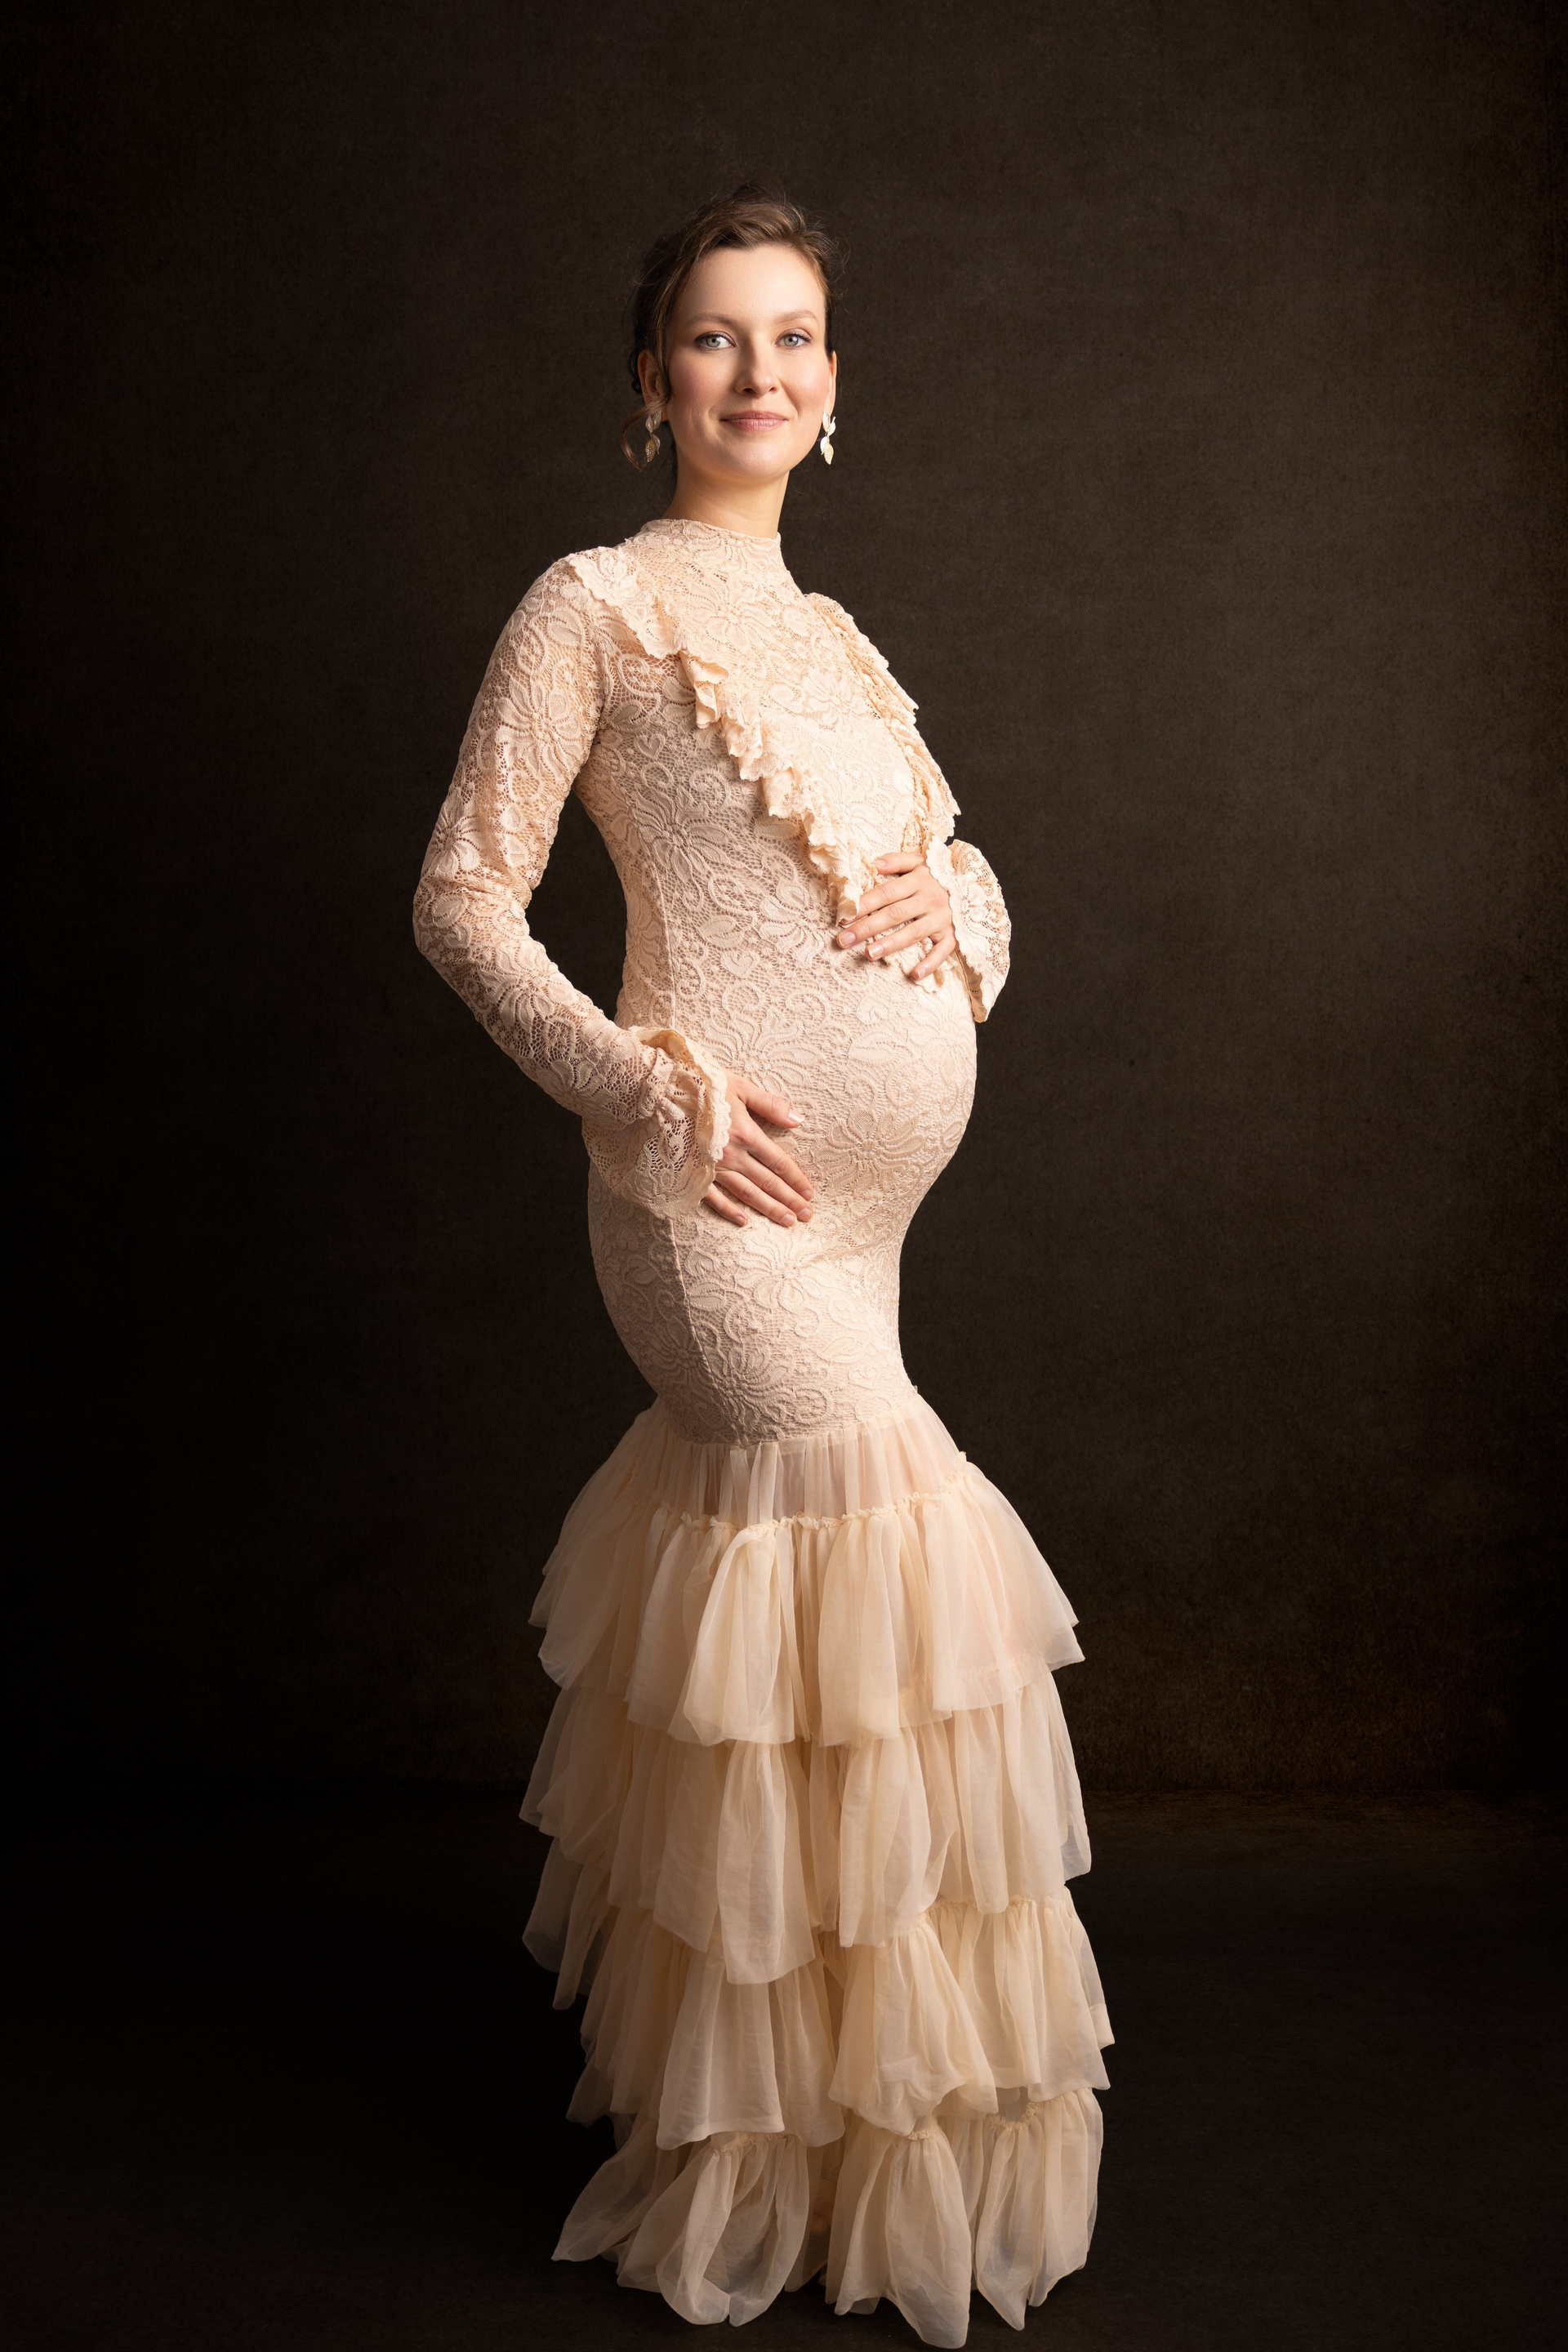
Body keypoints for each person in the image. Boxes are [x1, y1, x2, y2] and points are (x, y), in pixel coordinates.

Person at [412, 184, 1111, 2348]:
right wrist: (638, 1093)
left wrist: (959, 909)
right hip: (719, 1216)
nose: (759, 372)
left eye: (793, 337)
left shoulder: (836, 635)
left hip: (877, 1217)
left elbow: (950, 869)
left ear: (834, 382)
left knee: (822, 1656)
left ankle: (821, 2142)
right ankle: (796, 2152)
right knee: (889, 1572)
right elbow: (461, 896)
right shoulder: (596, 606)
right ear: (654, 381)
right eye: (716, 337)